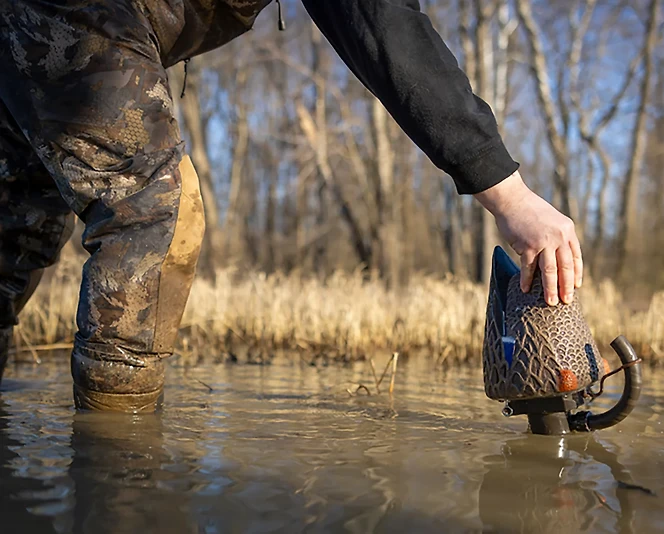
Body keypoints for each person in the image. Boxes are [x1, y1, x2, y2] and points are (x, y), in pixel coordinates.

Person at [0, 0, 583, 412]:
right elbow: (382, 23)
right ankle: (115, 469)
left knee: (12, 238)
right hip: (66, 12)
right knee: (154, 209)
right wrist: (509, 194)